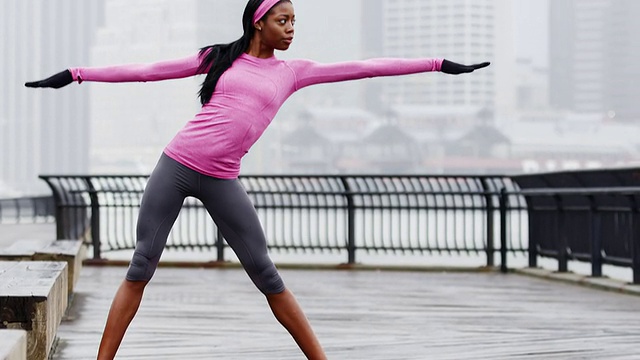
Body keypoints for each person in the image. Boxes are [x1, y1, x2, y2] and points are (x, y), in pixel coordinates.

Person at [26, 0, 490, 358]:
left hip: (222, 179)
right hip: (176, 165)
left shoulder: (294, 73)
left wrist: (438, 64)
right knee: (141, 264)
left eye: (294, 22)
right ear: (259, 22)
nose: (291, 28)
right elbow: (148, 72)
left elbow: (365, 67)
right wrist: (76, 74)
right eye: (284, 20)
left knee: (266, 273)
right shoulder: (219, 58)